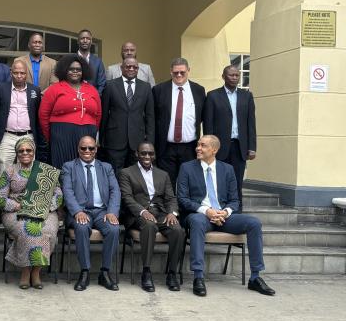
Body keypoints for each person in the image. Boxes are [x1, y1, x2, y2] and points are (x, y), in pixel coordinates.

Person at [176, 135, 275, 297]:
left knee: (254, 223)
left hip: (224, 217)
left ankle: (255, 277)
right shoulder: (187, 168)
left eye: (203, 145)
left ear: (214, 150)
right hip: (199, 215)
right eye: (198, 145)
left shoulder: (227, 169)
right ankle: (198, 276)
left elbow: (234, 200)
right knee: (196, 221)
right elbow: (182, 199)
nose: (198, 148)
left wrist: (225, 212)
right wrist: (206, 211)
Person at [0, 137, 63, 289]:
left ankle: (36, 272)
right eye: (21, 151)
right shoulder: (9, 171)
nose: (25, 153)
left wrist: (45, 207)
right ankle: (25, 271)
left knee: (48, 230)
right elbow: (0, 198)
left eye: (28, 150)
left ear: (34, 152)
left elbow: (58, 195)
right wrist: (18, 206)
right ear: (17, 153)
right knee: (27, 230)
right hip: (16, 211)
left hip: (44, 211)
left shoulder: (46, 170)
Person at [118, 142, 185, 292]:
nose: (147, 156)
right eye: (143, 153)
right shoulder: (126, 173)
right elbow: (127, 198)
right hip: (138, 215)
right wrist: (142, 211)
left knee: (178, 231)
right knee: (149, 226)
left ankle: (172, 273)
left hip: (161, 213)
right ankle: (146, 272)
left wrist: (172, 213)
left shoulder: (163, 174)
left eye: (150, 153)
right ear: (137, 154)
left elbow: (171, 198)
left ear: (154, 155)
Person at [62, 136, 121, 291]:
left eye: (91, 148)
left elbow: (115, 190)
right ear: (78, 149)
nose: (87, 151)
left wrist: (112, 212)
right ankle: (85, 272)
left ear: (96, 149)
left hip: (103, 212)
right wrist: (77, 211)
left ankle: (105, 272)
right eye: (83, 148)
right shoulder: (69, 167)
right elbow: (67, 192)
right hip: (82, 211)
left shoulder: (106, 167)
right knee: (81, 228)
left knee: (114, 229)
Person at [203, 65, 256, 211]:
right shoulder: (213, 96)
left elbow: (251, 123)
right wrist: (209, 147)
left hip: (240, 147)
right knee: (218, 180)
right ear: (223, 77)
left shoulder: (247, 96)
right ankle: (218, 210)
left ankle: (237, 211)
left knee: (237, 182)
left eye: (237, 75)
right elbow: (208, 125)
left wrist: (252, 147)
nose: (234, 78)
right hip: (219, 148)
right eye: (231, 75)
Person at [39, 54, 102, 169]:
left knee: (84, 168)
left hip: (87, 134)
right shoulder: (55, 88)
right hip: (61, 135)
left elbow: (98, 115)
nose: (75, 72)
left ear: (83, 71)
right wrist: (52, 136)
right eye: (71, 69)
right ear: (64, 70)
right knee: (62, 167)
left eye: (78, 69)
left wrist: (92, 131)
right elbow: (43, 114)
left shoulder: (92, 90)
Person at [153, 57, 206, 187]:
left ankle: (185, 208)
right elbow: (152, 118)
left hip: (190, 147)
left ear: (188, 70)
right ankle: (170, 208)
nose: (179, 75)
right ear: (171, 72)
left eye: (182, 72)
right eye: (175, 72)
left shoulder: (198, 90)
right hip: (166, 147)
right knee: (166, 184)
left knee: (188, 183)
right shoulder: (159, 90)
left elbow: (204, 116)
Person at [0, 59, 45, 177]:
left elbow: (37, 116)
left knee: (28, 170)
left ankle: (25, 195)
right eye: (16, 73)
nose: (19, 76)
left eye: (22, 73)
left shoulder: (34, 90)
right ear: (11, 73)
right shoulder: (0, 89)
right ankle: (2, 195)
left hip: (28, 135)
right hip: (6, 136)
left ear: (26, 74)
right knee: (3, 168)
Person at [100, 57, 155, 171]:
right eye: (128, 66)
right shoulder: (110, 85)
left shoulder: (145, 87)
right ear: (121, 68)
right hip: (114, 140)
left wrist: (149, 141)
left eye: (135, 67)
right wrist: (102, 138)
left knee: (135, 177)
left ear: (138, 69)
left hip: (137, 141)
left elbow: (150, 116)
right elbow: (104, 114)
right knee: (115, 174)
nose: (131, 69)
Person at [77, 29, 106, 94]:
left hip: (93, 99)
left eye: (88, 38)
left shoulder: (98, 62)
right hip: (73, 99)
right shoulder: (70, 59)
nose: (85, 41)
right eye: (82, 38)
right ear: (78, 41)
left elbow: (102, 84)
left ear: (91, 41)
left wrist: (95, 97)